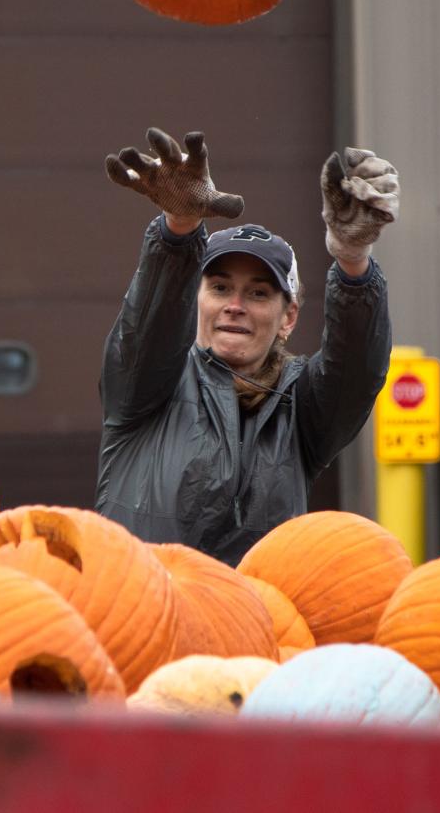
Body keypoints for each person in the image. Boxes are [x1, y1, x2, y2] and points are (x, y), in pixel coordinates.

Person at [96, 127, 397, 565]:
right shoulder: (146, 384)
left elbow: (356, 371)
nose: (235, 306)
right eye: (219, 287)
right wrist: (180, 229)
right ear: (195, 300)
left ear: (288, 317)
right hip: (142, 616)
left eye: (258, 293)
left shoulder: (301, 408)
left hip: (262, 626)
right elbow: (148, 326)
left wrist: (353, 261)